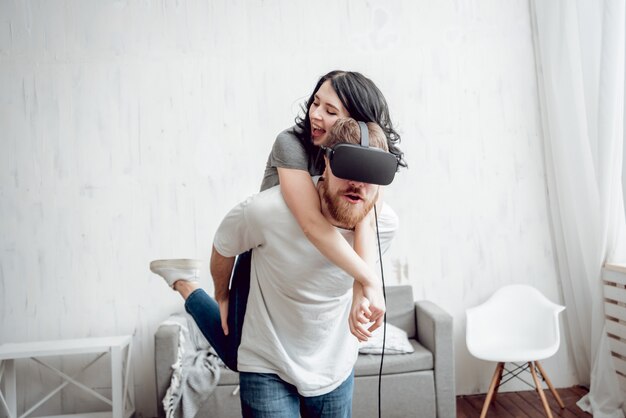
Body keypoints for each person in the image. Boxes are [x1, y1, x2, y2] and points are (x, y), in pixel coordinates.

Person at [154, 118, 398, 417]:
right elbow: (223, 244)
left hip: (335, 367)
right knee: (234, 350)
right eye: (349, 167)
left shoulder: (384, 226)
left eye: (370, 172)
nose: (358, 183)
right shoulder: (267, 211)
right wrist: (221, 293)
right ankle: (186, 283)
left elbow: (360, 268)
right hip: (268, 363)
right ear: (326, 162)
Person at [222, 70, 406, 360]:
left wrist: (361, 290)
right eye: (315, 103)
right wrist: (370, 281)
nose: (315, 115)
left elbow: (365, 224)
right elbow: (311, 223)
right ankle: (188, 288)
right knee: (234, 355)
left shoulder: (370, 157)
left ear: (356, 122)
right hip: (267, 259)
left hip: (308, 264)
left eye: (330, 110)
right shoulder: (291, 143)